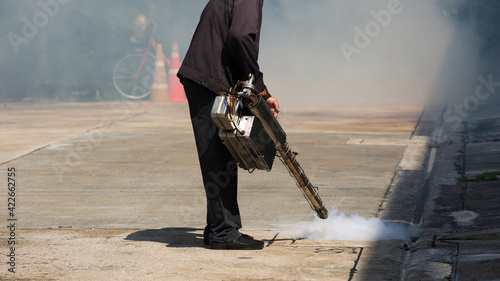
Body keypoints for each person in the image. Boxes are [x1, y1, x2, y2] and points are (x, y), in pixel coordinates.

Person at [177, 0, 279, 250]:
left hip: (208, 77)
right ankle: (223, 232)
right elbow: (240, 36)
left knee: (221, 153)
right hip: (210, 79)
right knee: (218, 155)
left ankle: (218, 228)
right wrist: (260, 88)